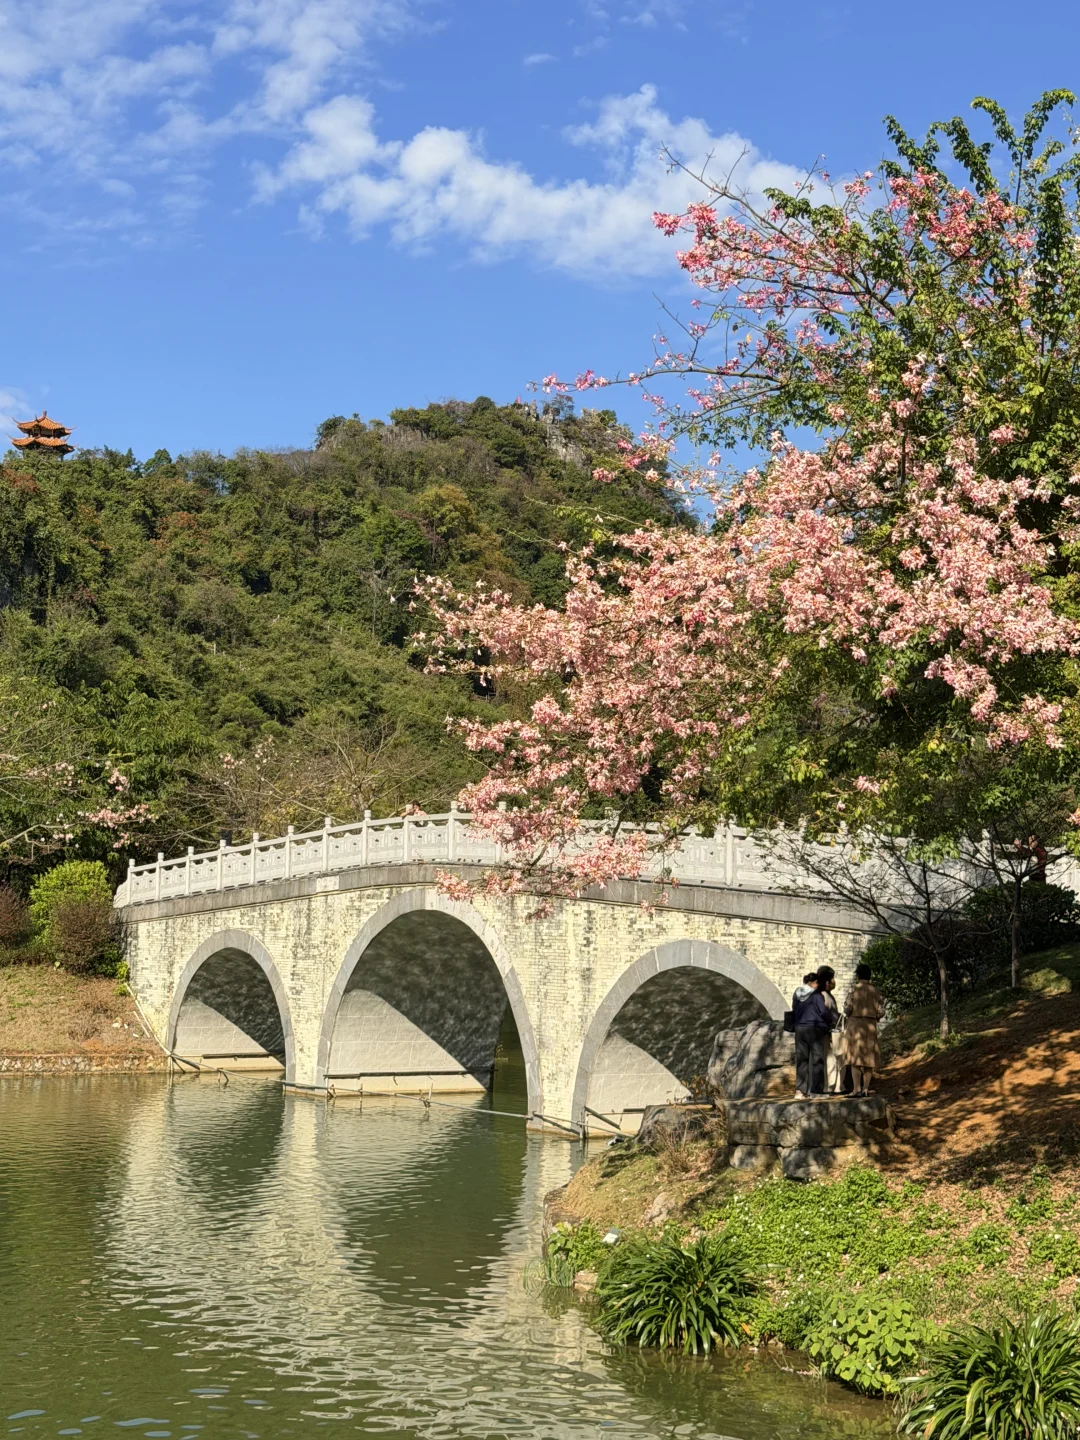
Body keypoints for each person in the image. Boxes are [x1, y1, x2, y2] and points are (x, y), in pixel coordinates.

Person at [843, 961, 885, 1096]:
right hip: (870, 1026)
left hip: (855, 1025)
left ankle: (856, 1089)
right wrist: (874, 1017)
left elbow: (847, 1008)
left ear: (858, 975)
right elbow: (881, 1011)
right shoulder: (876, 991)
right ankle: (866, 1089)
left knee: (855, 1058)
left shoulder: (853, 990)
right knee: (869, 1059)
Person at [793, 973, 835, 1098]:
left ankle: (800, 1091)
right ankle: (816, 1091)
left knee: (802, 1060)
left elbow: (794, 1009)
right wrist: (830, 1022)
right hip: (815, 1029)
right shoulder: (816, 995)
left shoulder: (797, 993)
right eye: (817, 983)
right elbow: (823, 1011)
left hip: (800, 1029)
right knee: (817, 1060)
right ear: (814, 982)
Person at [817, 965, 841, 1094]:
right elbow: (830, 1015)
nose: (834, 981)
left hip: (821, 1032)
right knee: (830, 1059)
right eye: (832, 978)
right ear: (827, 982)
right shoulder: (825, 996)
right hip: (827, 1032)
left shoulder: (819, 995)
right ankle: (829, 1086)